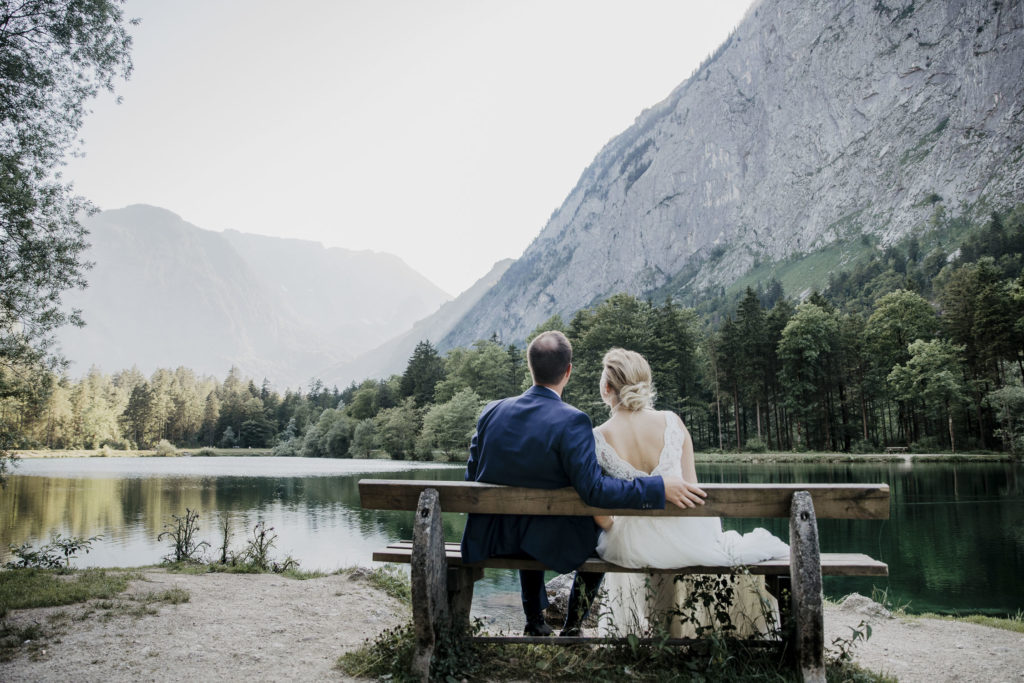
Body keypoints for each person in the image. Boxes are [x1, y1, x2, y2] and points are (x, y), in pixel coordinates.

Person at [460, 331, 707, 636]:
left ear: (530, 366)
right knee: (592, 525)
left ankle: (534, 621)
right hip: (540, 540)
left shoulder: (490, 412)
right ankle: (572, 628)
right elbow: (594, 490)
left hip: (490, 539)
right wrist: (658, 487)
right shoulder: (572, 421)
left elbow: (471, 477)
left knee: (531, 518)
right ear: (568, 371)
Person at [592, 348, 789, 638]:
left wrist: (617, 527)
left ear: (606, 388)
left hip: (631, 543)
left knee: (627, 541)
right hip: (687, 530)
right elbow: (694, 492)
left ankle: (660, 633)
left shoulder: (598, 436)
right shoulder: (672, 422)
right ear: (644, 383)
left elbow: (602, 516)